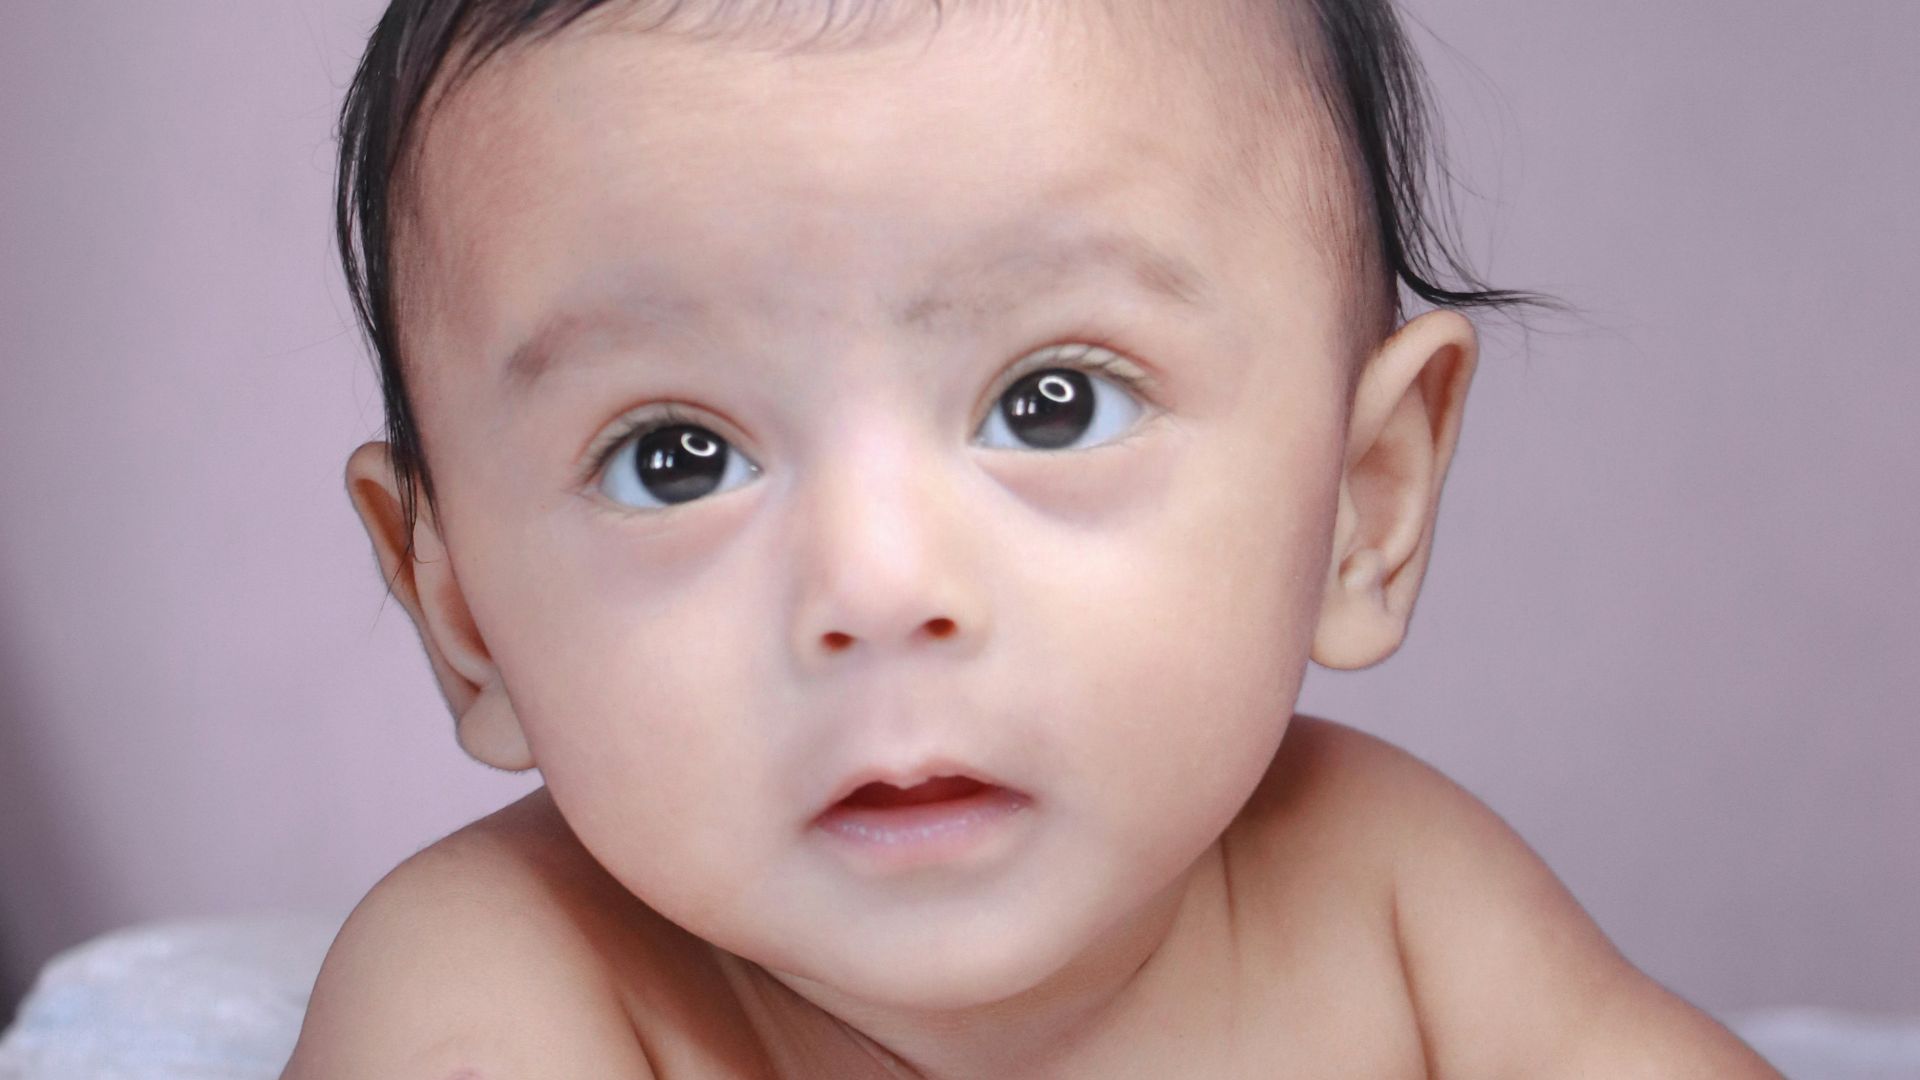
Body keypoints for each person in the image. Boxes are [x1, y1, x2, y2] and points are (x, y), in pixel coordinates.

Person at [283, 0, 1785, 1075]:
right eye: (676, 459)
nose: (879, 588)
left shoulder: (1395, 900)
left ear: (1362, 504)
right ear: (463, 608)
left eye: (1053, 404)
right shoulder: (499, 988)